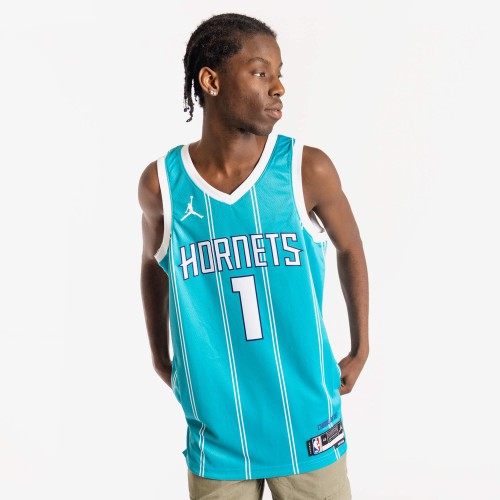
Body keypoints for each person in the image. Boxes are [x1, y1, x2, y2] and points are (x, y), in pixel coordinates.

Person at [138, 13, 368, 500]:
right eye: (261, 72)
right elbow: (153, 264)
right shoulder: (163, 184)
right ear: (211, 81)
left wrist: (361, 345)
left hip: (307, 419)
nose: (278, 87)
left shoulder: (306, 168)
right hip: (217, 428)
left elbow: (350, 246)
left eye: (280, 74)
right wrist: (160, 356)